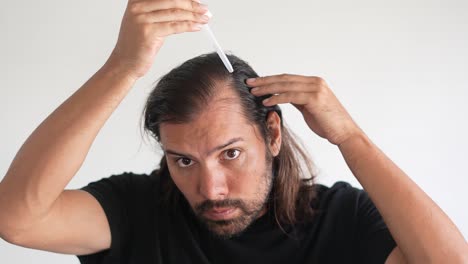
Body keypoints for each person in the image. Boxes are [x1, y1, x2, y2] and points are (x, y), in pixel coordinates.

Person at [0, 0, 467, 263]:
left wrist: (351, 139)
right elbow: (17, 220)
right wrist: (122, 67)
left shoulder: (341, 219)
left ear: (273, 134)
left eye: (230, 153)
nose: (210, 188)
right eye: (183, 160)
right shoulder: (136, 211)